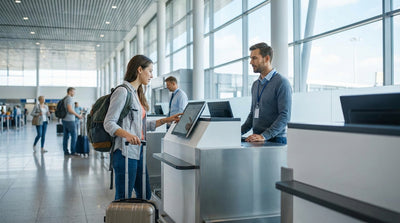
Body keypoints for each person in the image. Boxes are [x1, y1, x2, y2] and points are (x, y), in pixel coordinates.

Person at [104, 55, 181, 200]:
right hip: (124, 152)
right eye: (150, 71)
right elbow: (109, 122)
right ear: (139, 70)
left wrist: (166, 120)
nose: (152, 75)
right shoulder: (123, 92)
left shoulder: (137, 93)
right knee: (123, 198)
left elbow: (142, 126)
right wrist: (127, 135)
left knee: (145, 195)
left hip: (138, 151)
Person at [241, 42, 292, 144]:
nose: (251, 62)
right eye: (251, 58)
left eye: (254, 58)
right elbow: (252, 115)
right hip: (257, 139)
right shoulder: (256, 85)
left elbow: (284, 116)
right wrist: (236, 133)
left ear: (267, 58)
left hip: (275, 139)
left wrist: (264, 136)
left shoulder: (282, 83)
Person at [62, 87, 82, 156]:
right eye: (74, 92)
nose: (74, 93)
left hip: (64, 120)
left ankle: (66, 151)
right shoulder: (70, 98)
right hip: (70, 120)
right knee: (74, 136)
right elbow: (70, 110)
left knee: (66, 137)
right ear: (70, 91)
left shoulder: (65, 98)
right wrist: (78, 115)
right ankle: (73, 151)